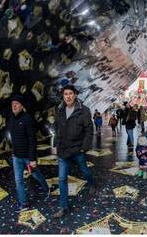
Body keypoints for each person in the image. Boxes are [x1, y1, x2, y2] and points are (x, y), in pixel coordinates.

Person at [52, 85, 96, 219]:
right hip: (63, 151)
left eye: (71, 93)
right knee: (62, 179)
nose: (68, 96)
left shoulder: (84, 110)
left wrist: (84, 147)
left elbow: (89, 130)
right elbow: (57, 127)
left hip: (77, 149)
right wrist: (55, 143)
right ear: (63, 96)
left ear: (75, 95)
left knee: (85, 171)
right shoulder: (59, 110)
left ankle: (92, 183)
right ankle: (63, 207)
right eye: (66, 94)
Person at [8, 95, 51, 211]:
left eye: (17, 104)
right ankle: (24, 204)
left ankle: (47, 189)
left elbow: (32, 140)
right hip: (16, 158)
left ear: (22, 106)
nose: (14, 106)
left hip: (28, 157)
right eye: (13, 104)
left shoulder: (28, 119)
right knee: (18, 181)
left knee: (37, 175)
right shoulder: (11, 118)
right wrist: (13, 153)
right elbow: (14, 137)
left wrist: (32, 159)